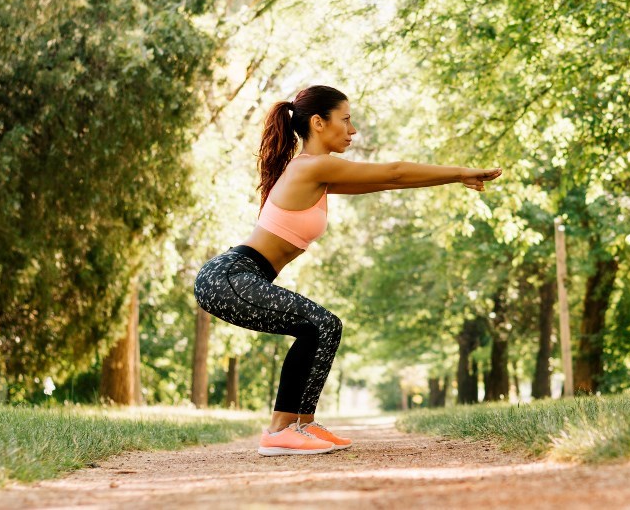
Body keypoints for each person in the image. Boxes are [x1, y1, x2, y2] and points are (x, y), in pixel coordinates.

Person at [193, 85, 502, 456]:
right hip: (228, 276)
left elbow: (388, 180)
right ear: (319, 123)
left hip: (237, 276)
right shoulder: (314, 165)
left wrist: (452, 178)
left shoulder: (318, 173)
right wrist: (460, 172)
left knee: (323, 326)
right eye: (346, 120)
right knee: (321, 324)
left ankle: (301, 425)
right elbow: (396, 172)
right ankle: (279, 430)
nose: (352, 130)